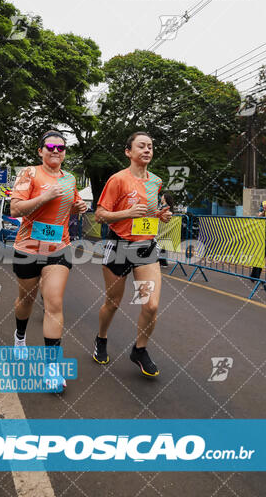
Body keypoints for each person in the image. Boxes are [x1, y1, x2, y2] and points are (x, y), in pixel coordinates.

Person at [10, 129, 87, 391]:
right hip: (28, 249)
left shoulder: (70, 178)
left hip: (58, 249)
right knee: (26, 301)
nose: (56, 150)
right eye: (50, 146)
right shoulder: (29, 173)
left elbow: (72, 203)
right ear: (40, 150)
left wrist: (79, 207)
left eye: (61, 147)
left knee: (53, 302)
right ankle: (20, 337)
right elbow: (14, 208)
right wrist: (43, 197)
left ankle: (52, 369)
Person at [93, 131, 172, 377]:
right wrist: (125, 214)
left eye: (150, 146)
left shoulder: (155, 181)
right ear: (129, 152)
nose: (147, 150)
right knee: (113, 303)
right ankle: (101, 339)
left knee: (151, 305)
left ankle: (139, 350)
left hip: (145, 247)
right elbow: (100, 215)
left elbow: (148, 212)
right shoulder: (117, 180)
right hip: (118, 246)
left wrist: (160, 215)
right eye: (141, 146)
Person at [158, 192, 174, 267]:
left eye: (162, 196)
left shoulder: (166, 207)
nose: (161, 198)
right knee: (160, 244)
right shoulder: (162, 206)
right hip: (160, 228)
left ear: (164, 198)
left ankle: (163, 262)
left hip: (163, 227)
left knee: (162, 244)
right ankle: (161, 261)